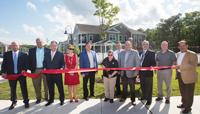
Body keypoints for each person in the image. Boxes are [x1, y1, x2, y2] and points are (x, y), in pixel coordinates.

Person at [1, 42, 29, 110]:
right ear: (11, 46)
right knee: (12, 88)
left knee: (24, 88)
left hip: (21, 74)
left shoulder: (24, 54)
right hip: (11, 75)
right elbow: (4, 64)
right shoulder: (7, 54)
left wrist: (24, 70)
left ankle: (26, 101)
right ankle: (13, 102)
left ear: (18, 46)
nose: (15, 47)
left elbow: (27, 63)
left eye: (16, 45)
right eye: (13, 45)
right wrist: (3, 72)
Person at [173, 40, 198, 113]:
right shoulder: (178, 54)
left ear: (187, 46)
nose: (182, 47)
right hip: (180, 75)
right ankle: (184, 103)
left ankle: (188, 107)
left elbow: (193, 65)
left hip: (189, 76)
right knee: (182, 91)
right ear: (178, 47)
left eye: (183, 45)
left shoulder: (192, 54)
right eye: (180, 46)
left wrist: (180, 67)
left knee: (189, 92)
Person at [43, 41, 65, 106]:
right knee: (50, 87)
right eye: (52, 45)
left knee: (60, 87)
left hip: (57, 74)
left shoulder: (60, 54)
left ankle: (61, 100)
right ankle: (51, 100)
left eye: (55, 45)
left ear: (57, 46)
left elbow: (63, 63)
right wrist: (44, 67)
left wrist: (62, 68)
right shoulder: (46, 53)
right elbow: (44, 62)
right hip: (49, 74)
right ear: (50, 46)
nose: (53, 47)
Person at [118, 41, 140, 105]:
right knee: (124, 86)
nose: (127, 46)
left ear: (131, 45)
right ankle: (124, 97)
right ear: (125, 45)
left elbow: (137, 63)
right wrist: (119, 70)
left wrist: (136, 72)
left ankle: (133, 99)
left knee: (132, 87)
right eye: (126, 44)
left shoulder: (135, 52)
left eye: (128, 44)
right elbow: (119, 62)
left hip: (132, 73)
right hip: (123, 72)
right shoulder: (121, 53)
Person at [28, 38, 50, 104]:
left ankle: (47, 96)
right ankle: (38, 97)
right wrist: (31, 69)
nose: (39, 43)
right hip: (36, 70)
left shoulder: (47, 50)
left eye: (40, 42)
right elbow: (29, 60)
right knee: (36, 85)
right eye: (37, 42)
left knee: (46, 84)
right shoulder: (31, 50)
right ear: (36, 43)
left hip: (45, 70)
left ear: (42, 42)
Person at [138, 40, 156, 105]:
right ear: (142, 45)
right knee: (143, 85)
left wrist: (152, 66)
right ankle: (144, 96)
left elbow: (154, 62)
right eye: (144, 44)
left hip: (148, 73)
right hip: (141, 72)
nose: (145, 45)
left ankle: (149, 100)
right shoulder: (140, 53)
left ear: (148, 46)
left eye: (146, 44)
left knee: (149, 87)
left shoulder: (151, 53)